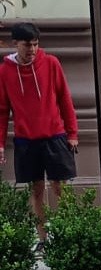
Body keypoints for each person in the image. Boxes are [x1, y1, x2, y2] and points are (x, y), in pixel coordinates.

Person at [0, 22, 78, 251]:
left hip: (55, 135)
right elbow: (3, 111)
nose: (32, 49)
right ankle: (43, 239)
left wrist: (72, 133)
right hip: (26, 139)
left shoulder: (52, 63)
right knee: (35, 190)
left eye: (35, 44)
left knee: (59, 187)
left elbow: (65, 99)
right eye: (27, 45)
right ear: (16, 44)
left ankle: (67, 233)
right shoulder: (5, 71)